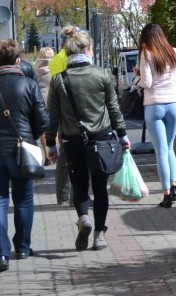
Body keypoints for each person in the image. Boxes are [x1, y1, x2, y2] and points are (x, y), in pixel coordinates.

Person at [46, 27, 130, 251]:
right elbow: (113, 109)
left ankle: (84, 219)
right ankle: (100, 235)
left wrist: (50, 144)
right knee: (100, 188)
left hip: (72, 140)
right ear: (87, 49)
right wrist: (122, 135)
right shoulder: (101, 74)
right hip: (101, 139)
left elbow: (52, 116)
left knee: (79, 185)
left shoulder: (58, 80)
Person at [0, 40, 49, 271]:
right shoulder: (28, 84)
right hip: (22, 151)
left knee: (0, 200)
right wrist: (31, 136)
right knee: (24, 198)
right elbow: (44, 119)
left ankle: (1, 254)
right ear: (18, 60)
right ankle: (22, 247)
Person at [135, 23, 176, 209]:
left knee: (160, 150)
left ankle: (166, 193)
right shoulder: (174, 52)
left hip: (154, 105)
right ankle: (174, 186)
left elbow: (148, 83)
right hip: (174, 104)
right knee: (169, 147)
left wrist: (136, 78)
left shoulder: (146, 53)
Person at [44, 48, 72, 205]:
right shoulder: (68, 58)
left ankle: (62, 196)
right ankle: (77, 197)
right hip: (76, 113)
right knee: (80, 161)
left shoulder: (55, 59)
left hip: (63, 113)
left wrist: (50, 142)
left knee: (64, 158)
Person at [33, 48, 54, 167]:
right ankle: (52, 150)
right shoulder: (55, 69)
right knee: (54, 128)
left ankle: (46, 155)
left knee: (42, 130)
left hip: (39, 101)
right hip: (52, 101)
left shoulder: (34, 68)